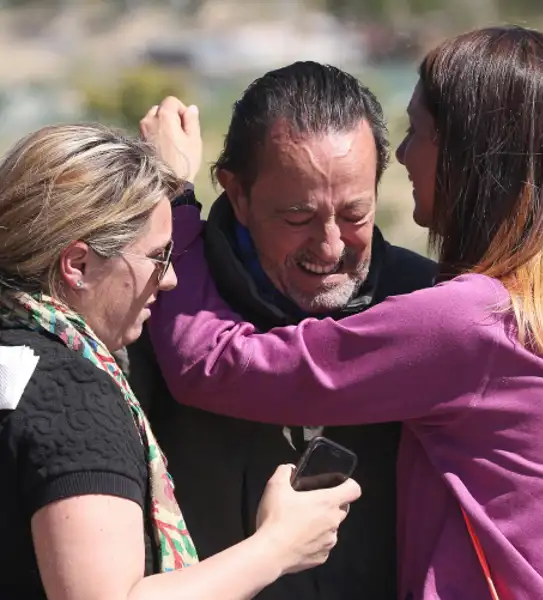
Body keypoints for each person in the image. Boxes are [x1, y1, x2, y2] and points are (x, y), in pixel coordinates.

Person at [147, 26, 543, 599]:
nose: (405, 155)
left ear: (473, 160)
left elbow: (212, 364)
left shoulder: (467, 322)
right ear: (237, 193)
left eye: (418, 131)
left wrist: (174, 203)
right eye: (296, 216)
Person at [0, 123, 361, 600]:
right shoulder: (73, 396)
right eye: (157, 256)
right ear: (78, 265)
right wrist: (277, 546)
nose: (168, 279)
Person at [129, 64, 436, 600]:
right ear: (237, 193)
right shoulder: (146, 311)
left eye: (354, 213)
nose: (330, 247)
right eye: (297, 218)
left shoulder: (429, 305)